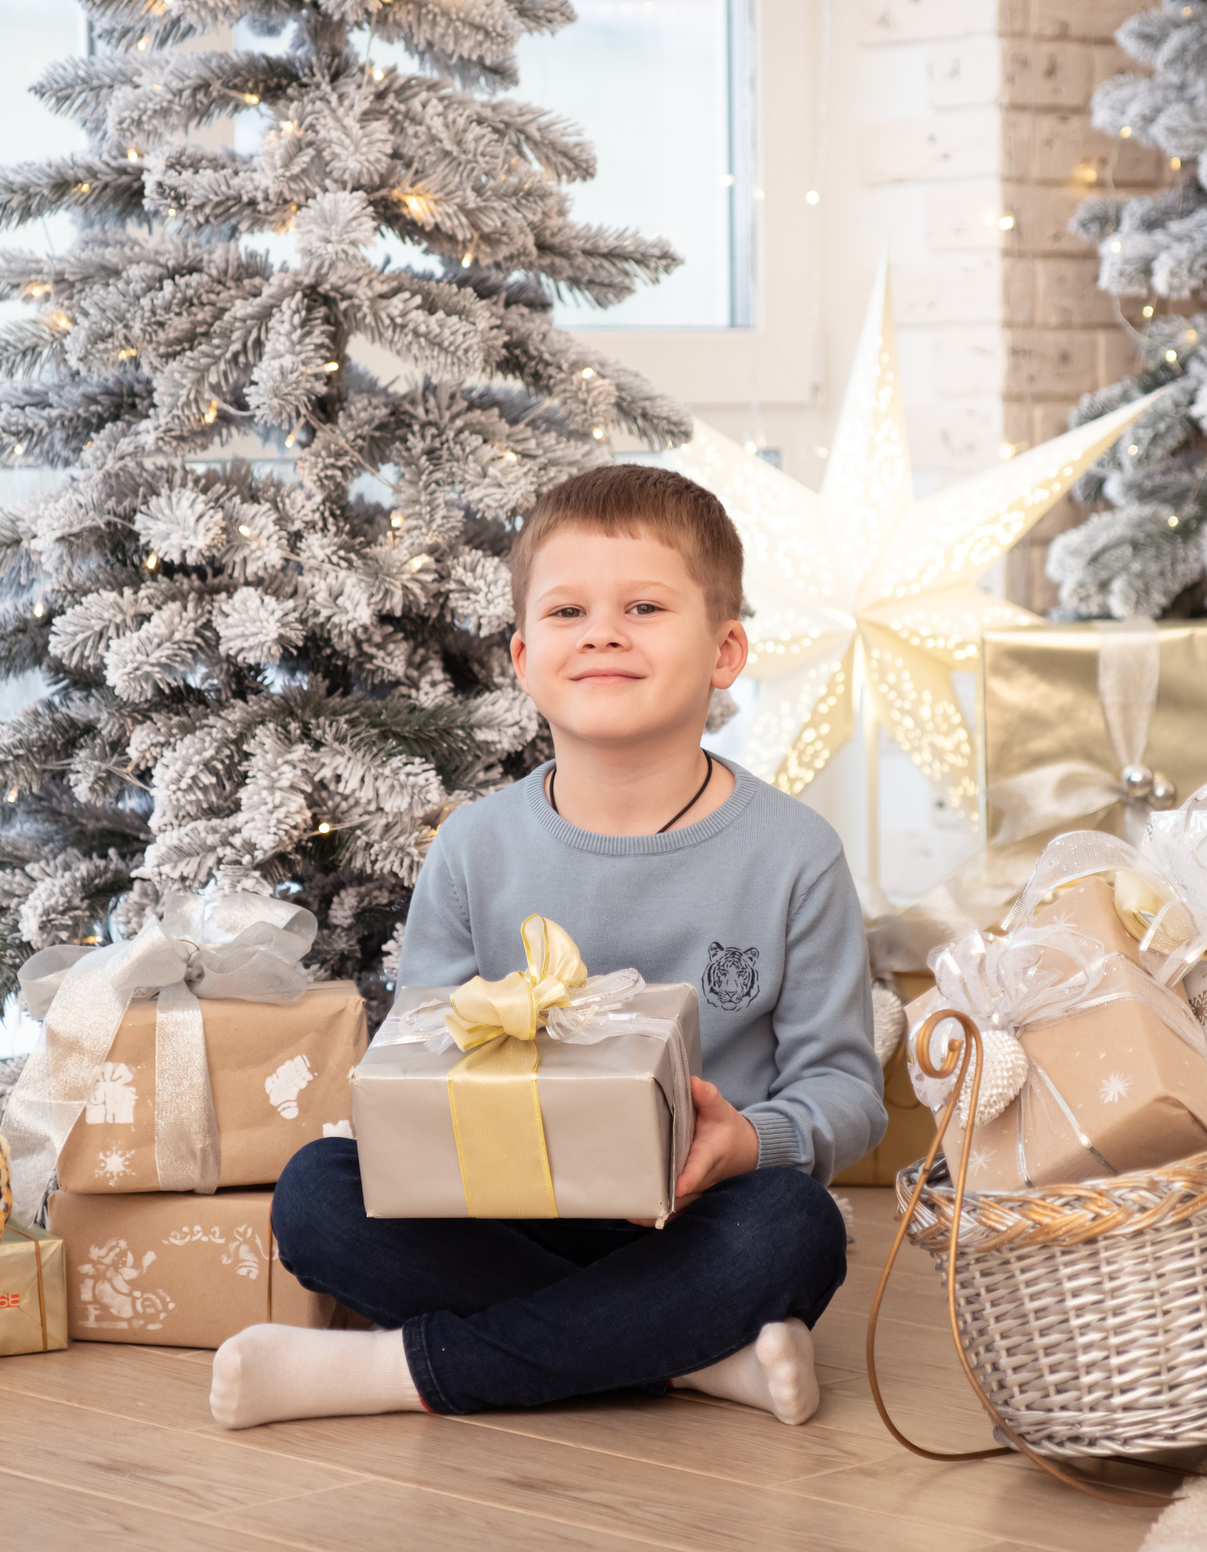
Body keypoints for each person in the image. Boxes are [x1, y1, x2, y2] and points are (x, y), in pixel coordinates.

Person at [209, 463, 883, 1431]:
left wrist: (747, 1142)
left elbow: (845, 1093)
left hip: (697, 1217)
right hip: (502, 1208)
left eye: (644, 606)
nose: (603, 632)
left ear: (726, 649)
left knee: (795, 1230)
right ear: (524, 657)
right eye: (568, 611)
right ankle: (691, 1354)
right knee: (317, 1195)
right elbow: (419, 1056)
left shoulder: (793, 855)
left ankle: (395, 1370)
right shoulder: (476, 846)